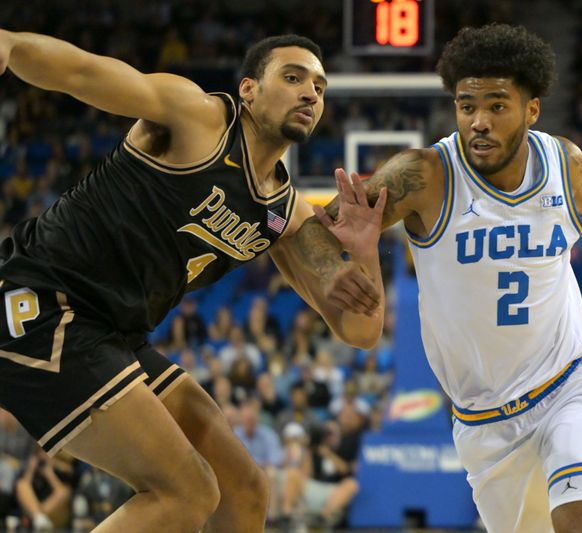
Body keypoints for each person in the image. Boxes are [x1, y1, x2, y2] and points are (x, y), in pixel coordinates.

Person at [0, 30, 387, 532]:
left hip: (111, 333)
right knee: (186, 492)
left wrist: (364, 256)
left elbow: (360, 331)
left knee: (244, 488)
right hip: (43, 303)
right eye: (292, 78)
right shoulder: (197, 117)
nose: (310, 93)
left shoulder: (287, 216)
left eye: (319, 85)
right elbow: (80, 71)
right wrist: (10, 45)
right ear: (249, 89)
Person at [315, 24, 582, 532]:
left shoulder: (561, 162)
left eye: (497, 105)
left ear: (532, 109)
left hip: (568, 383)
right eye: (466, 106)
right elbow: (318, 233)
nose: (478, 121)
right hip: (485, 423)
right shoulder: (424, 176)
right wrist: (333, 266)